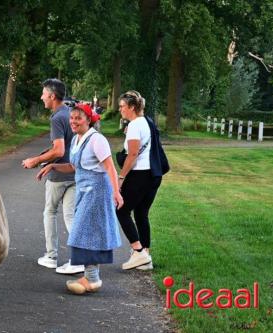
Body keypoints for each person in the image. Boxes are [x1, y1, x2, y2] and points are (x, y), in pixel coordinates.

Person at [37, 103, 123, 294]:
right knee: (86, 233)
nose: (74, 121)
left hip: (97, 192)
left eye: (78, 118)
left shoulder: (96, 140)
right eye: (72, 118)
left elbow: (109, 168)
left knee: (84, 232)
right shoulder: (77, 139)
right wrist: (53, 166)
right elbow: (75, 167)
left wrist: (116, 193)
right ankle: (90, 277)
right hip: (84, 191)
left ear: (88, 120)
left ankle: (92, 278)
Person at [22, 78, 84, 275]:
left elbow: (58, 150)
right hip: (75, 171)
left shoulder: (57, 117)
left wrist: (35, 160)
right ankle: (78, 259)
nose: (41, 97)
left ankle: (51, 256)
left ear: (52, 96)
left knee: (50, 212)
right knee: (71, 216)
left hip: (58, 174)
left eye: (43, 94)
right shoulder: (71, 114)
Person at [116, 90, 167, 271]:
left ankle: (138, 251)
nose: (120, 109)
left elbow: (133, 155)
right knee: (141, 213)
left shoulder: (136, 125)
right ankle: (145, 258)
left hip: (140, 174)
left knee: (121, 210)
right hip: (154, 174)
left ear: (132, 107)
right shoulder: (147, 122)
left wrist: (121, 177)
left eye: (122, 106)